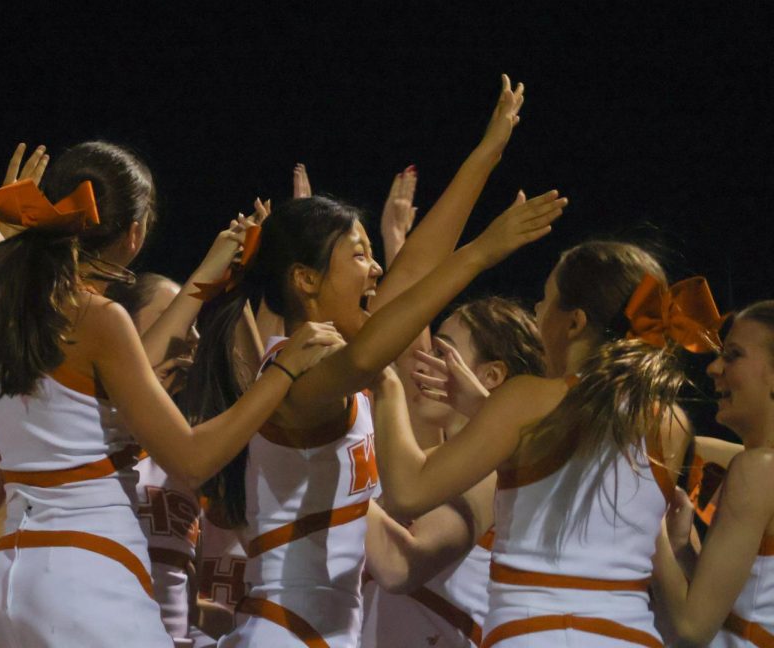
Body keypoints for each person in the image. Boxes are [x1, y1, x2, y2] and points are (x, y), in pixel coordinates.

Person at [182, 75, 561, 647]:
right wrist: (482, 252)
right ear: (306, 281)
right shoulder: (296, 367)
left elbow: (416, 270)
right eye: (360, 256)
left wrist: (486, 155)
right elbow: (372, 348)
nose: (377, 269)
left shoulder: (329, 358)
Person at [0, 140, 345, 646]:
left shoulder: (2, 308)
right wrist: (283, 371)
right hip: (89, 576)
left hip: (11, 582)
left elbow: (113, 385)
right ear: (134, 234)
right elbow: (191, 459)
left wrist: (203, 281)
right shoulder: (98, 317)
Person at [373, 242, 716, 647]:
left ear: (573, 323)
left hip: (535, 635)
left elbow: (409, 489)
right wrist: (489, 409)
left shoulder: (526, 400)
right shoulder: (671, 423)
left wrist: (383, 380)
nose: (536, 312)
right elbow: (580, 459)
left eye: (545, 300)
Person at [365, 297, 545, 648]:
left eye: (440, 352)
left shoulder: (495, 469)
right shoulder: (436, 463)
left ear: (491, 375)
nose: (422, 362)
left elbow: (398, 566)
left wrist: (334, 466)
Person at [655, 300, 774, 647]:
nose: (713, 368)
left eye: (733, 355)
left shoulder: (759, 470)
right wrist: (680, 549)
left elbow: (690, 630)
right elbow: (748, 604)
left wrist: (646, 524)